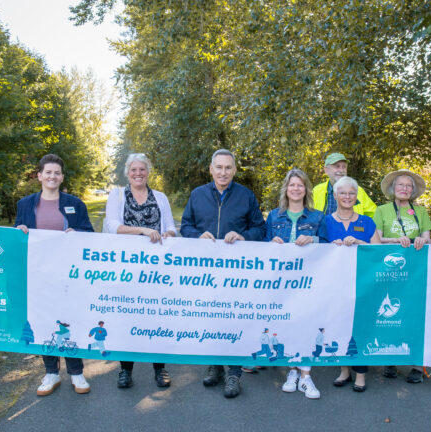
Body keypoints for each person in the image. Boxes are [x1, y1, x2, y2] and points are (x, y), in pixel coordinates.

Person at [180, 148, 266, 398]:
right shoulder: (197, 195)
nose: (223, 172)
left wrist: (243, 236)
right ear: (211, 169)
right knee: (210, 318)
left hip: (237, 274)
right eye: (219, 167)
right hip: (204, 272)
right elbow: (186, 225)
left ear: (234, 170)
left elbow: (259, 229)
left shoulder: (246, 196)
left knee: (235, 319)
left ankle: (234, 373)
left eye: (228, 168)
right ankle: (215, 365)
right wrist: (197, 235)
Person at [15, 153, 94, 397]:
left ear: (62, 177)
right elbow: (18, 233)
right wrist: (19, 230)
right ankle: (50, 372)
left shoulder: (75, 204)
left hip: (68, 274)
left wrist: (77, 232)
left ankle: (76, 372)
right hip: (38, 274)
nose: (52, 176)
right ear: (39, 176)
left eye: (56, 173)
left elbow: (89, 233)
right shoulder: (25, 204)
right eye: (47, 172)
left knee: (71, 320)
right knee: (43, 320)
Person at [104, 153, 175, 388]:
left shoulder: (160, 197)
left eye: (142, 170)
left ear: (148, 172)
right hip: (127, 268)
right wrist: (143, 230)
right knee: (128, 317)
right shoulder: (117, 195)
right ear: (127, 172)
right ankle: (125, 369)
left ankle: (160, 369)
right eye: (133, 170)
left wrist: (170, 234)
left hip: (157, 269)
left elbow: (171, 226)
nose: (138, 173)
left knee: (158, 318)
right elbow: (112, 226)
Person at [264, 169, 327, 399]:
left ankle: (306, 376)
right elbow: (262, 245)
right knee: (287, 324)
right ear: (286, 189)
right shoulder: (273, 216)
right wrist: (272, 242)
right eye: (292, 185)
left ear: (306, 189)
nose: (296, 189)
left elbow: (331, 246)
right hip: (281, 282)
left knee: (309, 324)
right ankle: (292, 371)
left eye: (300, 185)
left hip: (309, 282)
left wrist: (314, 239)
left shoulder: (317, 217)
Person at [373, 169, 431, 383]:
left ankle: (417, 365)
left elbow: (427, 237)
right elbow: (377, 239)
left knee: (413, 313)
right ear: (393, 188)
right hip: (388, 270)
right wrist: (397, 240)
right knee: (389, 314)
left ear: (413, 190)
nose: (405, 189)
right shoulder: (380, 210)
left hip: (415, 271)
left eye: (409, 186)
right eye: (401, 185)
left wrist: (420, 241)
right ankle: (390, 360)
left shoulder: (421, 211)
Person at [324, 176, 381, 393]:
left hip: (363, 284)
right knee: (339, 326)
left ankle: (360, 374)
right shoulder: (326, 222)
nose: (347, 197)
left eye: (351, 193)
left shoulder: (367, 222)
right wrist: (331, 246)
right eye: (343, 193)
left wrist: (360, 242)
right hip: (335, 285)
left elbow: (379, 252)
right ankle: (344, 371)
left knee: (360, 328)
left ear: (356, 196)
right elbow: (317, 251)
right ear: (335, 196)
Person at [312, 153, 376, 218]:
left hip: (352, 228)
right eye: (337, 166)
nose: (341, 170)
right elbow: (306, 215)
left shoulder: (358, 190)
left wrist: (364, 226)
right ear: (326, 170)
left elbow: (374, 214)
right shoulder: (317, 191)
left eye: (344, 167)